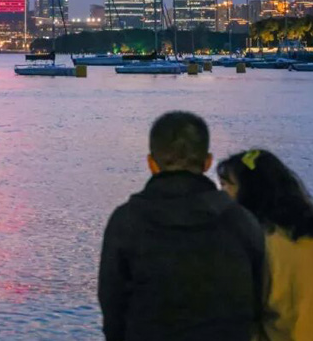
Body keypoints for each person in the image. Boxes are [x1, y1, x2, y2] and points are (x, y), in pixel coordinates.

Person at [98, 111, 265, 341]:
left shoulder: (126, 221)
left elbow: (112, 307)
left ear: (151, 163)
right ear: (207, 162)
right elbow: (257, 301)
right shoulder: (240, 220)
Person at [217, 150, 313, 341]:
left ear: (251, 191)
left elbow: (242, 314)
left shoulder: (264, 244)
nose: (221, 194)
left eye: (226, 185)